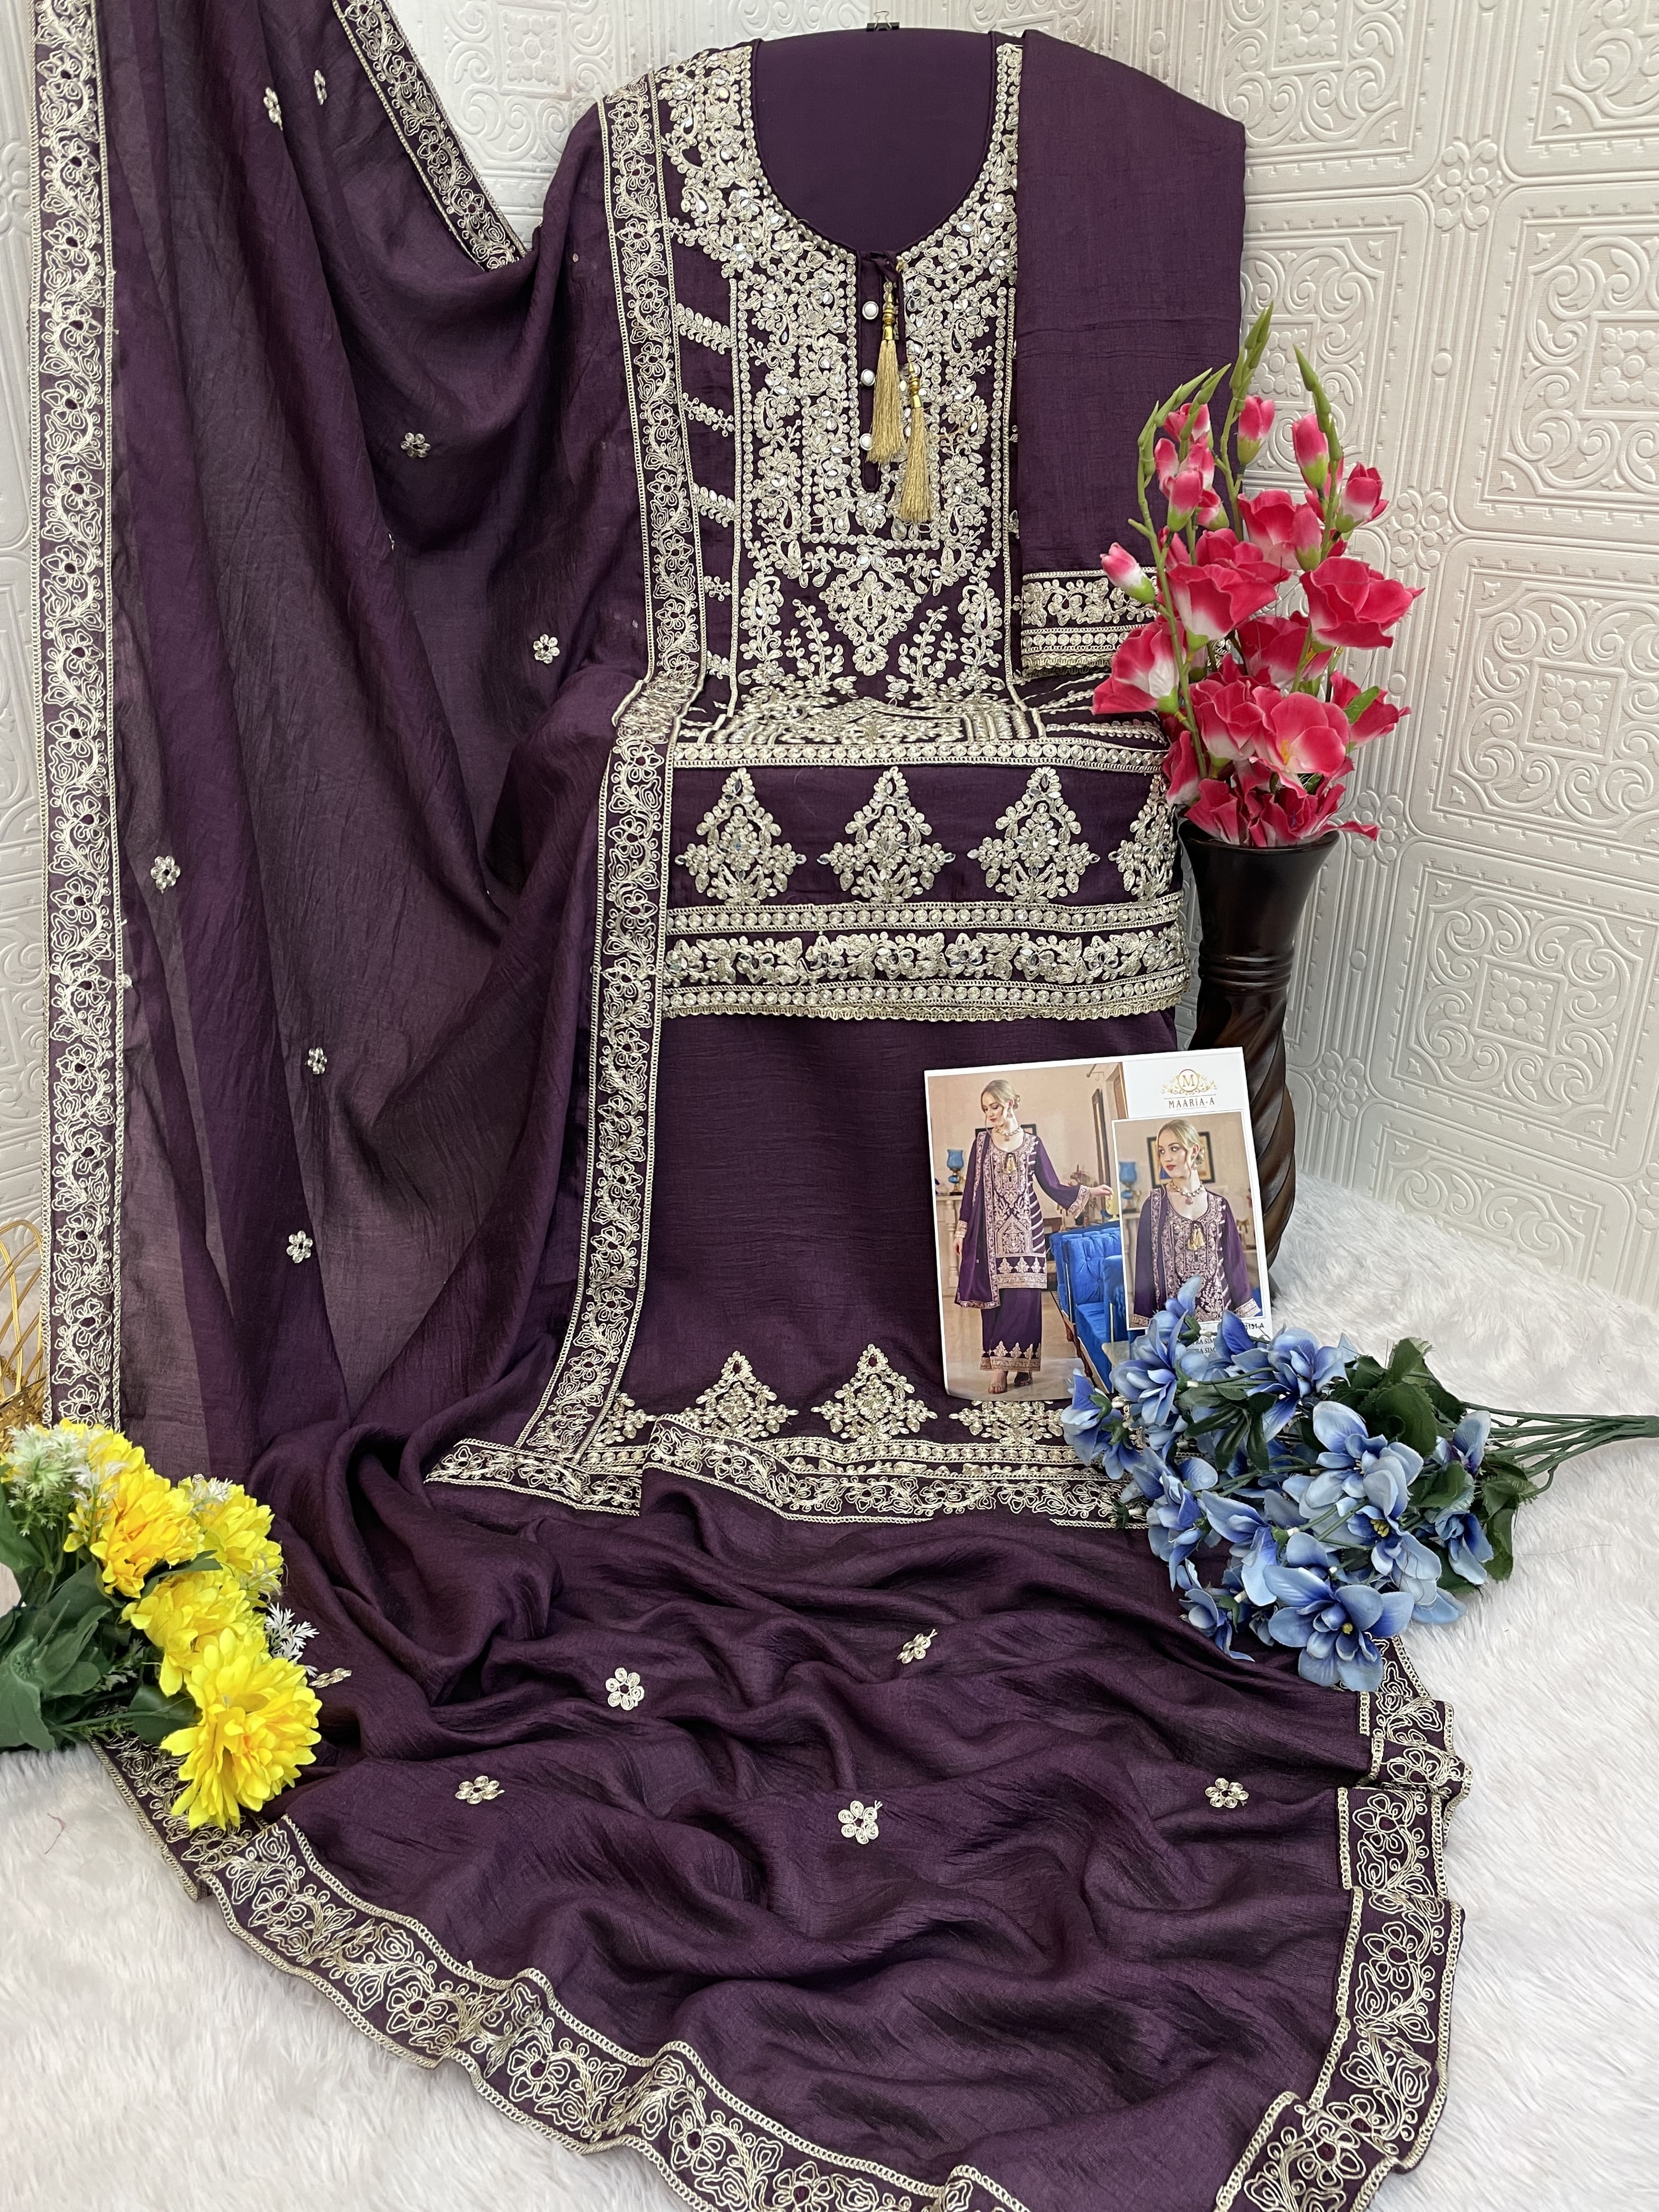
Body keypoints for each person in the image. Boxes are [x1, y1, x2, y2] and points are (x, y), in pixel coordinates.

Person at [953, 1079, 1111, 1392]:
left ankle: (1022, 1365)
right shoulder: (981, 1144)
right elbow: (971, 1190)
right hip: (990, 1238)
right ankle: (1000, 1369)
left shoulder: (1033, 1144)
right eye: (985, 1109)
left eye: (995, 1107)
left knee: (1025, 1303)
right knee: (995, 1304)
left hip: (1029, 1234)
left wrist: (1089, 1192)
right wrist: (962, 1231)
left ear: (1010, 1104)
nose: (990, 1114)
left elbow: (1052, 1185)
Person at [1131, 1118, 1261, 1324]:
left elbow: (1235, 1265)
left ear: (1194, 1150)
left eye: (1174, 1149)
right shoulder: (1154, 1205)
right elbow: (1145, 1270)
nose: (1167, 1158)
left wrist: (1248, 1322)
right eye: (1162, 1151)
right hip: (1175, 1324)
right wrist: (1146, 1324)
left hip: (1221, 1320)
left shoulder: (1220, 1205)